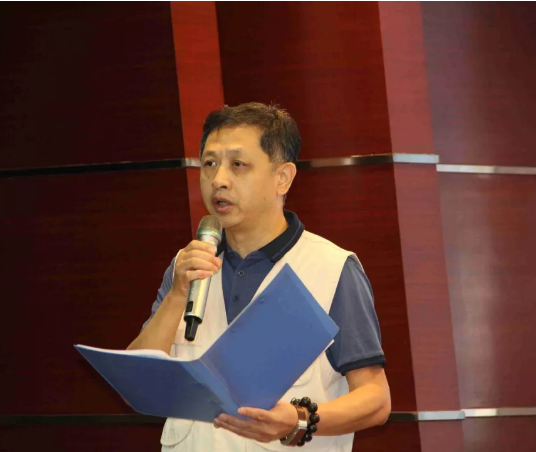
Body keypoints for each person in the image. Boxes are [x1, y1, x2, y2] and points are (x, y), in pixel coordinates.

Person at [127, 103, 391, 451]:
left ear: (283, 177)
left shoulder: (331, 268)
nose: (218, 180)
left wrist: (298, 419)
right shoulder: (187, 266)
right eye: (209, 164)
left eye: (238, 164)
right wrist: (178, 293)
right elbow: (140, 380)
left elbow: (375, 398)